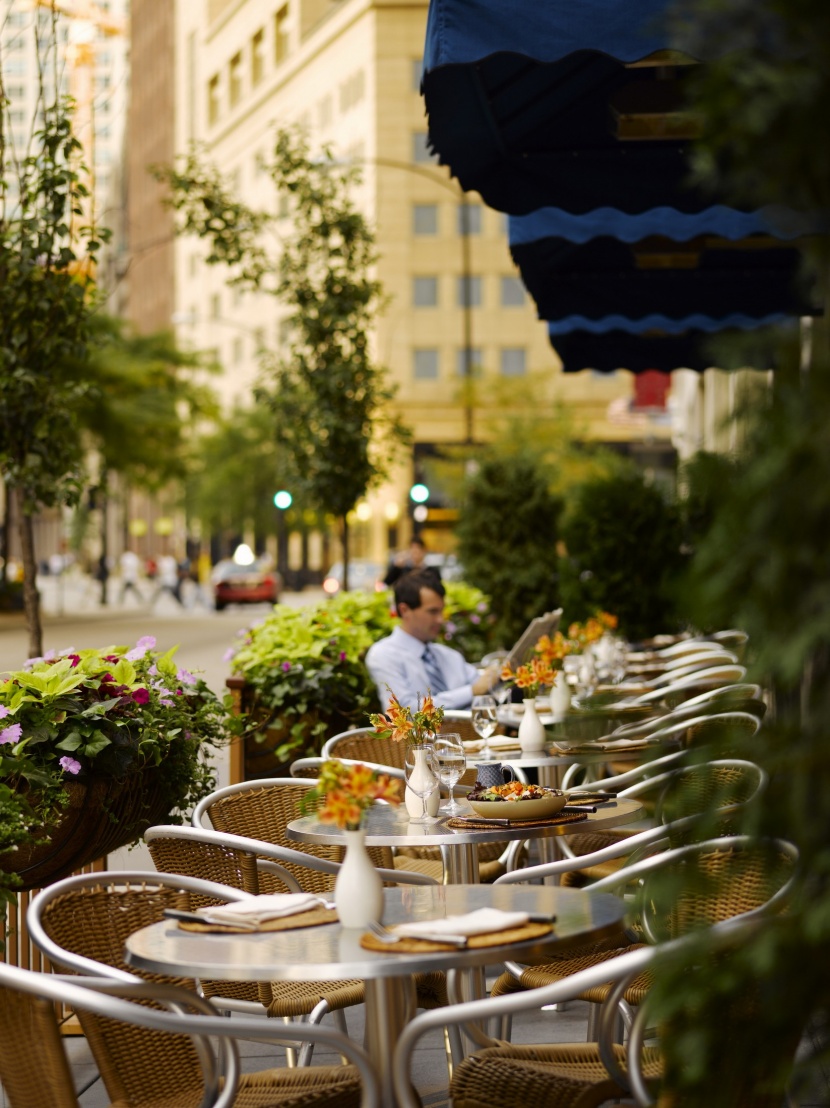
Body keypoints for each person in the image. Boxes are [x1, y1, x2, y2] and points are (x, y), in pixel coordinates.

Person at [366, 569, 500, 711]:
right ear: (404, 610)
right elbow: (404, 710)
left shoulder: (447, 655)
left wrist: (501, 675)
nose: (440, 619)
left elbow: (483, 684)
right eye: (432, 611)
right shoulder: (383, 655)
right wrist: (470, 692)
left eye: (441, 611)